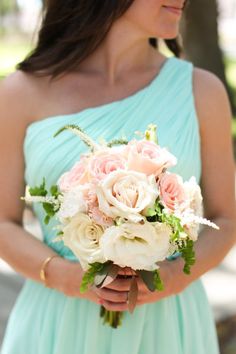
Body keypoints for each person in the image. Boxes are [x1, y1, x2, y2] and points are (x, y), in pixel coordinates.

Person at [0, 1, 235, 353]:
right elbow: (3, 222)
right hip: (59, 322)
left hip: (169, 326)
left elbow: (227, 220)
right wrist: (66, 277)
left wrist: (169, 279)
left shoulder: (203, 91)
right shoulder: (20, 93)